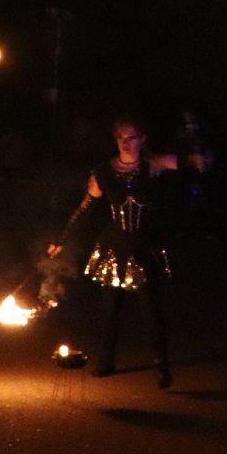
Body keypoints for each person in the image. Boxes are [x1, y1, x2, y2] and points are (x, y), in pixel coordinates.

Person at [47, 115, 207, 389]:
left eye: (132, 137)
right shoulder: (104, 171)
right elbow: (86, 207)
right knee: (109, 310)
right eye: (122, 138)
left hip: (143, 247)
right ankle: (106, 361)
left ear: (142, 140)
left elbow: (196, 162)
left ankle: (161, 367)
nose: (126, 143)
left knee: (150, 311)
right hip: (114, 247)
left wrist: (195, 149)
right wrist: (62, 239)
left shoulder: (154, 164)